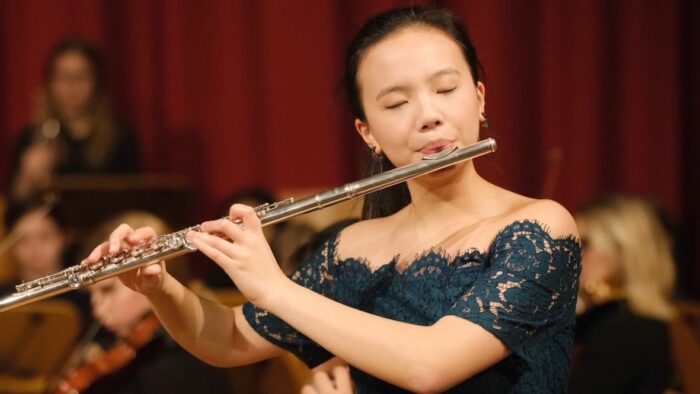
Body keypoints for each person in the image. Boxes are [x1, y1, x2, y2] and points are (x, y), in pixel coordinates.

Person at [83, 6, 581, 393]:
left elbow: (429, 367)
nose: (428, 115)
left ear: (480, 97)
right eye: (396, 102)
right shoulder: (352, 247)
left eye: (446, 89)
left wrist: (275, 288)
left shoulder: (540, 228)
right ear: (367, 131)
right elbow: (230, 339)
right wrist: (158, 286)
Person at [55, 212, 230, 394]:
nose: (97, 310)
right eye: (91, 294)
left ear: (152, 273)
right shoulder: (122, 351)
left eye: (107, 290)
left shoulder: (176, 362)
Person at [7, 38, 140, 201]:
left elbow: (136, 200)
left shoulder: (121, 138)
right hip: (47, 223)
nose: (72, 86)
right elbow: (13, 208)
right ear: (50, 84)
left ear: (97, 83)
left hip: (109, 223)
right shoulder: (33, 137)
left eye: (81, 77)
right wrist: (26, 176)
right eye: (63, 77)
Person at [569, 194, 676, 393]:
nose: (571, 254)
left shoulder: (627, 329)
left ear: (622, 251)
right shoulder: (609, 316)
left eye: (584, 243)